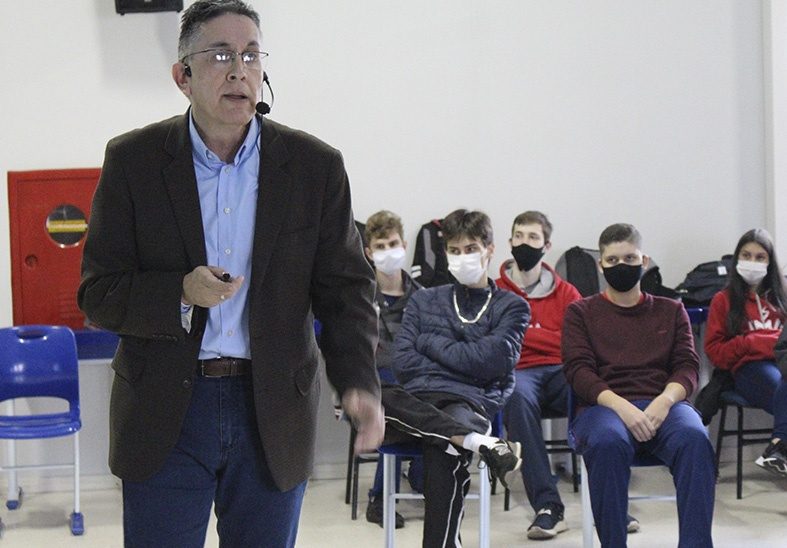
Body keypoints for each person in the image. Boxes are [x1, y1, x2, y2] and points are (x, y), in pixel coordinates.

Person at [77, 1, 383, 546]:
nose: (240, 70)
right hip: (166, 411)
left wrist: (359, 380)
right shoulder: (133, 161)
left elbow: (346, 290)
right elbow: (98, 292)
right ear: (183, 76)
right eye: (220, 55)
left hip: (272, 410)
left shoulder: (314, 167)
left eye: (251, 55)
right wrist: (181, 292)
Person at [380, 208, 530, 548]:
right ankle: (481, 443)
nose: (462, 257)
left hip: (468, 400)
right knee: (370, 394)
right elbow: (402, 362)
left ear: (490, 250)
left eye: (471, 249)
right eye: (454, 250)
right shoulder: (423, 299)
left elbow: (490, 363)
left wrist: (429, 343)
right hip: (417, 398)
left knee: (444, 443)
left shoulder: (512, 307)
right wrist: (463, 358)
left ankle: (444, 541)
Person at [562, 223, 715, 548]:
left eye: (630, 258)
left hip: (665, 405)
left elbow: (688, 367)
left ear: (644, 261)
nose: (622, 265)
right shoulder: (580, 312)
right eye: (613, 260)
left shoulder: (671, 310)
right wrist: (622, 407)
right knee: (607, 442)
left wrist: (664, 401)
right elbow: (579, 372)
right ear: (601, 265)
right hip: (604, 408)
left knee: (695, 438)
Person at [495, 210, 581, 540]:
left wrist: (524, 335)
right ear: (509, 242)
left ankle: (607, 497)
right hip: (519, 374)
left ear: (546, 246)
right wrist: (547, 336)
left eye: (533, 237)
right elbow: (494, 343)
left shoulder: (567, 293)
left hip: (560, 371)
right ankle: (548, 507)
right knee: (515, 395)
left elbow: (577, 343)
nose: (525, 243)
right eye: (519, 236)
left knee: (593, 391)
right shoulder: (495, 292)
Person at [705, 228, 787, 477]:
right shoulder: (723, 300)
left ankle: (779, 446)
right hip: (749, 370)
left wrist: (762, 341)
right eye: (746, 255)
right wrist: (750, 343)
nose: (753, 262)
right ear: (737, 258)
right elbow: (715, 353)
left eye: (760, 257)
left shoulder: (783, 298)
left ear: (770, 262)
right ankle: (779, 446)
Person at [360, 210, 423, 528]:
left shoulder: (423, 298)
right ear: (369, 252)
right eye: (380, 246)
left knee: (440, 398)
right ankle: (380, 499)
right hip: (374, 382)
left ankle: (426, 478)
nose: (388, 251)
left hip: (416, 380)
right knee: (394, 403)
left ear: (404, 245)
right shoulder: (358, 296)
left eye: (393, 244)